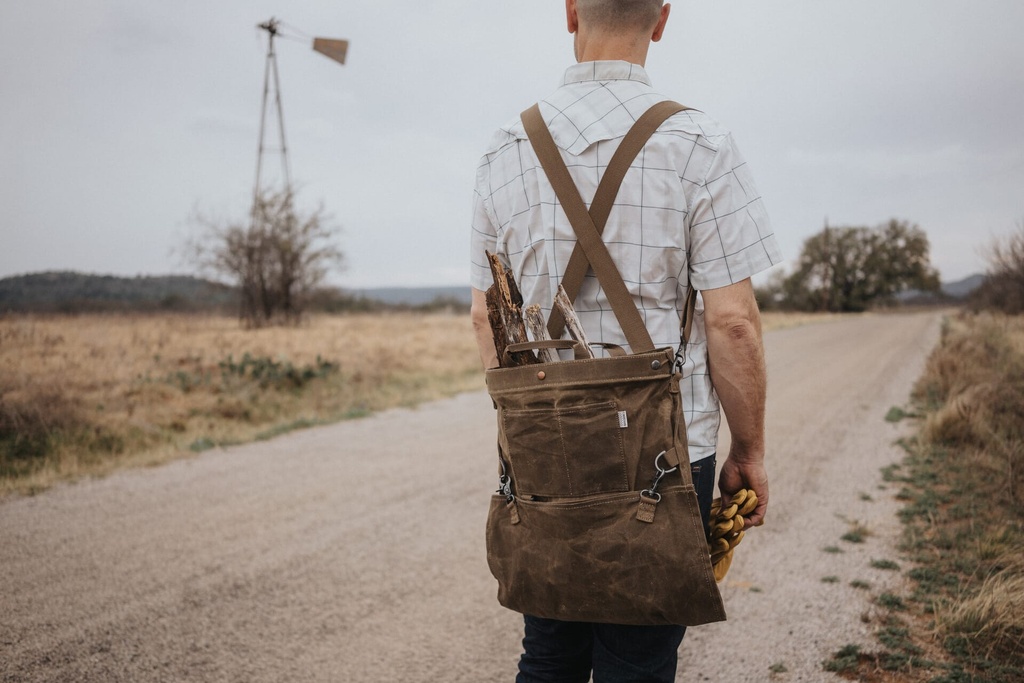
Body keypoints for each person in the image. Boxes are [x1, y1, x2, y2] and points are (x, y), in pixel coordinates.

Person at [469, 1, 782, 680]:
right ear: (662, 19)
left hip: (546, 448)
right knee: (637, 660)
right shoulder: (703, 144)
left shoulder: (504, 147)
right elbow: (732, 322)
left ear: (571, 12)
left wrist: (528, 432)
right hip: (665, 455)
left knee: (548, 652)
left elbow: (484, 319)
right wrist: (750, 448)